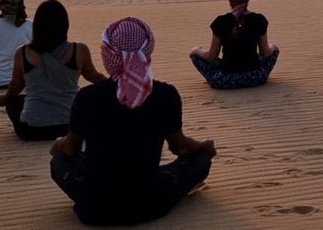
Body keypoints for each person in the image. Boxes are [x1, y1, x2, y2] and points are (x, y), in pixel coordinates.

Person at [50, 17, 215, 226]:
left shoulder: (87, 96)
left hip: (93, 206)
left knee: (59, 161)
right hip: (148, 203)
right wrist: (203, 147)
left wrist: (58, 145)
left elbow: (70, 149)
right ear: (148, 51)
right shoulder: (166, 95)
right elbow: (180, 148)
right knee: (200, 160)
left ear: (107, 53)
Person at [0, 0, 107, 140]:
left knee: (14, 102)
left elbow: (16, 85)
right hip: (71, 128)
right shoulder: (79, 50)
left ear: (37, 26)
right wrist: (115, 87)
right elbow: (95, 78)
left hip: (31, 130)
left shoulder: (23, 52)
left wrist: (5, 98)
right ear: (64, 24)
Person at [190, 0, 280, 89]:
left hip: (225, 80)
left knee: (196, 57)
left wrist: (196, 51)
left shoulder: (220, 21)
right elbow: (265, 53)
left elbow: (212, 56)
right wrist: (274, 47)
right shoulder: (259, 20)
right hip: (254, 78)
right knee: (269, 54)